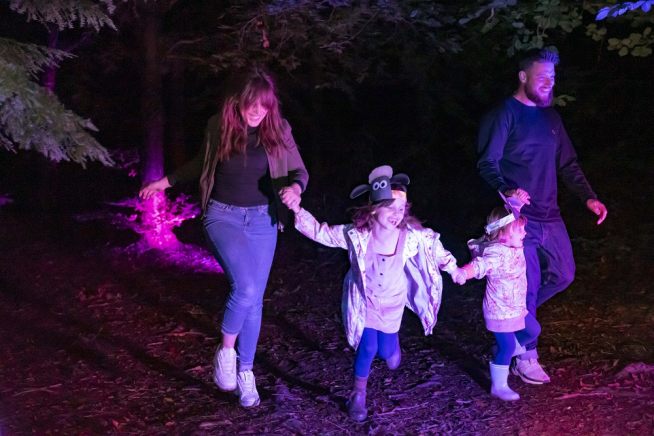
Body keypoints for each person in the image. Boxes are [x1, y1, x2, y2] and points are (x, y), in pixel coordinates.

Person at [139, 65, 308, 408]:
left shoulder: (280, 130)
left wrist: (294, 188)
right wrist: (165, 182)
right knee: (245, 288)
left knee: (255, 299)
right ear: (238, 101)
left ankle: (246, 372)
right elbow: (202, 163)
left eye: (264, 105)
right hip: (223, 216)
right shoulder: (219, 126)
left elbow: (299, 171)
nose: (257, 111)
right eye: (251, 104)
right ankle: (226, 353)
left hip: (263, 219)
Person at [282, 165, 466, 421]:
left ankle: (392, 348)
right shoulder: (356, 235)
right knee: (367, 346)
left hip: (392, 304)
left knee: (388, 354)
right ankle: (358, 394)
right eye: (390, 208)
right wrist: (297, 210)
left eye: (401, 209)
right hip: (365, 303)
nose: (396, 214)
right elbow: (321, 232)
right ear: (373, 208)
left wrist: (454, 269)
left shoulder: (411, 237)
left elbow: (434, 247)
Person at [477, 48, 608, 384]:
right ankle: (526, 355)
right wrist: (506, 190)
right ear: (523, 77)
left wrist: (589, 198)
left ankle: (515, 318)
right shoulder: (504, 114)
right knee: (529, 285)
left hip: (552, 216)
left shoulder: (551, 118)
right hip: (518, 220)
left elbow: (568, 164)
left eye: (553, 77)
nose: (549, 83)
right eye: (542, 76)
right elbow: (487, 163)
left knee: (564, 274)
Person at [458, 204, 541, 401]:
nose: (525, 233)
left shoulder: (514, 245)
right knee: (508, 348)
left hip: (517, 307)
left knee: (533, 331)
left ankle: (498, 351)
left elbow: (509, 213)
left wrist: (516, 204)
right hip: (499, 310)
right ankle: (499, 386)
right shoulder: (496, 252)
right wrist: (463, 272)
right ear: (503, 233)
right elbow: (480, 265)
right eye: (519, 230)